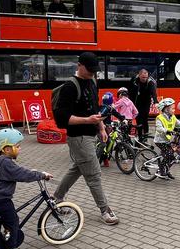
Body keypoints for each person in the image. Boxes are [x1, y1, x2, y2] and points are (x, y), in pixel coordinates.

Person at [52, 52, 118, 225]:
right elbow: (62, 119)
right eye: (89, 70)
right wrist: (87, 121)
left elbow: (94, 108)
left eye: (94, 71)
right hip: (78, 137)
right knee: (94, 174)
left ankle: (56, 198)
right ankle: (105, 210)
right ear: (79, 65)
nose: (92, 73)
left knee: (78, 168)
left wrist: (101, 127)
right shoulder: (70, 87)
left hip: (90, 133)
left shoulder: (92, 81)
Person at [0, 128, 53, 249]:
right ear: (6, 149)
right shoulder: (6, 162)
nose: (19, 149)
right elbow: (21, 174)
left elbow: (16, 171)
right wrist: (41, 175)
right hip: (0, 199)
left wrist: (30, 171)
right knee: (13, 222)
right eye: (17, 146)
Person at [154, 98, 180, 180]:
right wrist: (166, 131)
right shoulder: (159, 118)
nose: (174, 110)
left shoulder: (172, 117)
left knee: (170, 156)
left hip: (167, 140)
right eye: (172, 108)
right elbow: (159, 128)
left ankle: (166, 171)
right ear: (166, 109)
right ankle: (161, 169)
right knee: (169, 155)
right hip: (160, 140)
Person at [99, 91, 127, 167]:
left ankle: (105, 158)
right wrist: (103, 125)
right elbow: (100, 116)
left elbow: (116, 114)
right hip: (102, 127)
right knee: (106, 143)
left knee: (109, 142)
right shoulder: (104, 108)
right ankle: (99, 159)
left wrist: (123, 119)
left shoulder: (110, 108)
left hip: (108, 126)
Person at [130, 68, 158, 142]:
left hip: (146, 102)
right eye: (143, 77)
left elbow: (154, 93)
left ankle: (145, 136)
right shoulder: (134, 80)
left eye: (146, 77)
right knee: (138, 120)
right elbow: (130, 90)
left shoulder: (150, 82)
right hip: (137, 102)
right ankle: (140, 136)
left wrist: (155, 102)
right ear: (139, 75)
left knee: (145, 119)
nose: (144, 79)